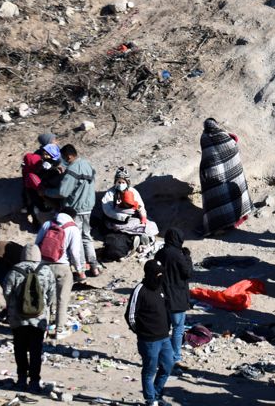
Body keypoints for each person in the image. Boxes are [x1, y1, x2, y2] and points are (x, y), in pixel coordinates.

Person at [4, 243, 55, 394]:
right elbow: (51, 295)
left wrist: (13, 306)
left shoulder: (14, 270)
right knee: (35, 350)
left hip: (18, 318)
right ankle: (34, 381)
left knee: (19, 348)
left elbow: (7, 292)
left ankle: (21, 379)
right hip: (38, 319)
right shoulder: (46, 270)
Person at [47, 145, 102, 278]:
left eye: (64, 158)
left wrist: (46, 192)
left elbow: (63, 191)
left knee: (76, 240)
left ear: (69, 156)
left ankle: (81, 270)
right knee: (87, 237)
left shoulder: (73, 169)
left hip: (75, 209)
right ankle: (94, 267)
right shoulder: (87, 165)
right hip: (88, 208)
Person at [126, 259, 174, 406]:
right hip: (148, 340)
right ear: (150, 274)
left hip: (164, 337)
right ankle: (150, 399)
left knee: (168, 365)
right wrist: (141, 332)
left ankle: (157, 395)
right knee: (149, 370)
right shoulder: (140, 290)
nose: (161, 277)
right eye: (158, 274)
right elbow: (130, 316)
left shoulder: (160, 287)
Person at [35, 209, 86, 338]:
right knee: (62, 299)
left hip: (44, 266)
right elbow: (75, 252)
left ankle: (43, 329)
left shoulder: (47, 224)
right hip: (62, 267)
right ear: (72, 217)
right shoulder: (72, 228)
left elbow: (36, 244)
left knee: (45, 298)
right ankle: (59, 330)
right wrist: (79, 270)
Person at [198, 118, 252, 235]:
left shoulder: (204, 137)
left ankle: (220, 225)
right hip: (228, 171)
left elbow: (206, 153)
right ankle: (235, 220)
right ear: (215, 124)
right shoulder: (222, 133)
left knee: (219, 200)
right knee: (231, 197)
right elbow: (234, 141)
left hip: (213, 172)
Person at [156, 228, 192, 366]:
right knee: (178, 329)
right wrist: (187, 257)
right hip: (177, 298)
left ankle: (162, 356)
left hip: (162, 297)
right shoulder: (178, 255)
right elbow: (187, 272)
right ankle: (175, 357)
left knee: (164, 329)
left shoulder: (159, 254)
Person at [100, 168, 157, 245]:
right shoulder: (110, 193)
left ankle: (143, 237)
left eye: (123, 182)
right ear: (115, 182)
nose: (120, 184)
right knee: (117, 229)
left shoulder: (133, 191)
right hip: (115, 219)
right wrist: (122, 217)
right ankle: (135, 238)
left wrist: (143, 217)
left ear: (127, 182)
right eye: (119, 182)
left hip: (133, 217)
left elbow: (140, 206)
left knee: (149, 224)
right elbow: (107, 210)